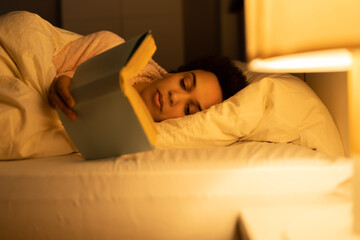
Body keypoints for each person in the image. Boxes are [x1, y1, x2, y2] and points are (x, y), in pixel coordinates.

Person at [48, 54, 247, 122]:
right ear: (173, 73)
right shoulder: (116, 52)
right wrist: (62, 80)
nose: (174, 97)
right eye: (184, 83)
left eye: (189, 110)